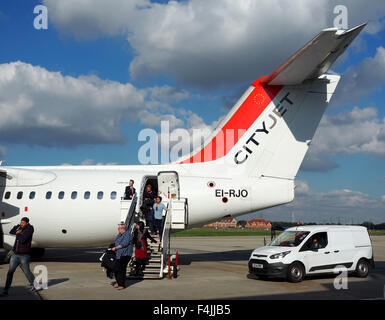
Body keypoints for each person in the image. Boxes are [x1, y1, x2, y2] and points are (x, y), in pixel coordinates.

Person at [1, 217, 36, 296]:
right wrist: (16, 226)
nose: (21, 223)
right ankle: (6, 290)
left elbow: (23, 239)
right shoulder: (20, 227)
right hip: (15, 254)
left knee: (27, 272)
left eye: (23, 222)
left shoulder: (30, 229)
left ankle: (35, 284)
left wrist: (18, 233)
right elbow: (11, 232)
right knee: (10, 272)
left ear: (27, 223)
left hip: (24, 255)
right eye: (21, 222)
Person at [111, 223, 133, 290]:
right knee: (116, 269)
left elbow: (124, 244)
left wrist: (116, 248)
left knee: (122, 269)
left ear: (122, 228)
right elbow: (116, 242)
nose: (118, 229)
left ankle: (122, 284)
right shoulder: (119, 235)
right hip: (118, 255)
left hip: (125, 255)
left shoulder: (127, 234)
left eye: (119, 228)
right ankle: (118, 282)